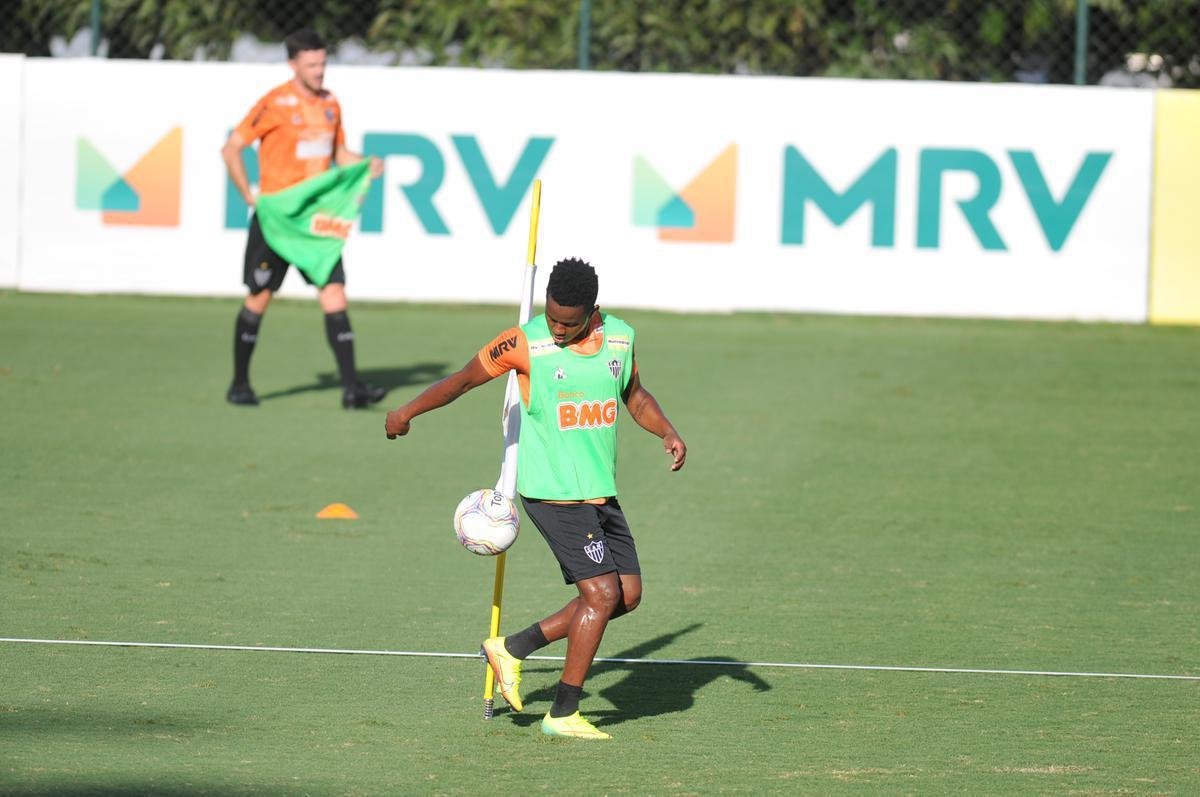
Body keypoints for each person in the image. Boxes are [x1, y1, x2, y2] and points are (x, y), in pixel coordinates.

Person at [384, 258, 687, 739]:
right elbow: (462, 379)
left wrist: (666, 431)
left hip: (599, 491)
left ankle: (511, 648)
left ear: (594, 311)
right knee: (601, 594)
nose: (560, 330)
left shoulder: (622, 338)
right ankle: (563, 712)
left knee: (626, 596)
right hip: (551, 492)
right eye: (552, 318)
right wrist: (406, 412)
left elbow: (635, 395)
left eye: (570, 322)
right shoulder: (524, 342)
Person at [221, 28, 387, 409]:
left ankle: (351, 389)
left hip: (314, 223)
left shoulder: (331, 104)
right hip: (278, 218)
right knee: (260, 297)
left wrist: (364, 164)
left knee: (334, 294)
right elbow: (231, 148)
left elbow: (339, 153)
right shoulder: (275, 102)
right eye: (311, 65)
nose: (318, 71)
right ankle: (239, 384)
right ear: (293, 64)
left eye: (323, 64)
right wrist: (249, 194)